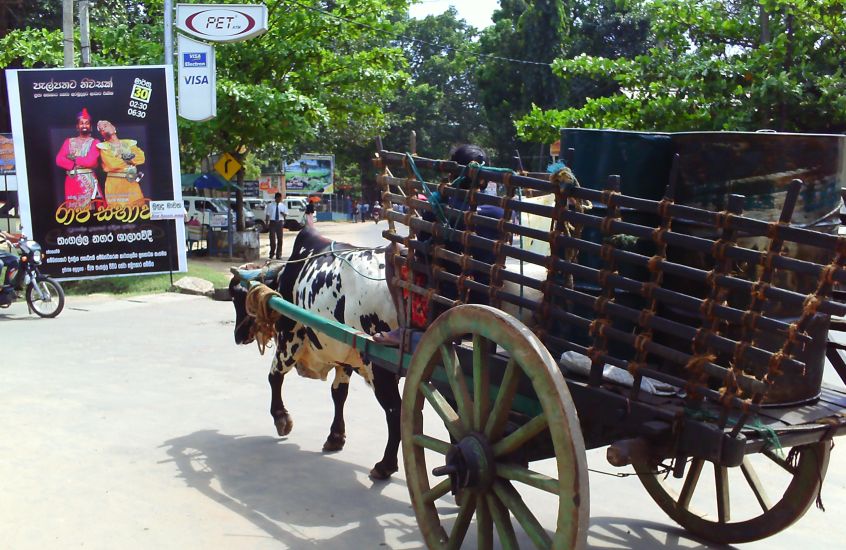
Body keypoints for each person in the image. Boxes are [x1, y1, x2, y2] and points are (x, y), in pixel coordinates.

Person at [373, 144, 502, 346]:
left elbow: (424, 246)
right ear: (486, 177)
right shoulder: (499, 212)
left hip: (447, 293)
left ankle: (405, 327)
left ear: (453, 174)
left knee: (393, 251)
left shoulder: (439, 206)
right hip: (485, 294)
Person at [55, 108, 101, 210]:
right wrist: (73, 165)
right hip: (72, 181)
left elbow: (91, 161)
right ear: (77, 127)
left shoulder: (95, 142)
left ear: (90, 127)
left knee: (92, 210)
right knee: (73, 212)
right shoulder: (68, 141)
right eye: (81, 123)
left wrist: (73, 158)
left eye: (87, 123)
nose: (84, 125)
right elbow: (59, 159)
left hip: (88, 181)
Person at [96, 120, 146, 206]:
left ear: (113, 128)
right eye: (101, 129)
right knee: (117, 213)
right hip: (114, 184)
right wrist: (130, 158)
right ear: (101, 133)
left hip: (131, 182)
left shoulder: (129, 143)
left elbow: (141, 158)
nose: (104, 128)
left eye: (105, 125)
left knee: (137, 210)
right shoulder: (104, 147)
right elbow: (112, 164)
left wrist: (121, 158)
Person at [265, 192, 288, 260]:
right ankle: (272, 253)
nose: (280, 200)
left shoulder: (283, 206)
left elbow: (286, 215)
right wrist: (267, 223)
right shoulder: (270, 205)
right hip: (272, 223)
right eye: (279, 198)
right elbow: (267, 215)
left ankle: (279, 254)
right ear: (276, 198)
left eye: (280, 199)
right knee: (272, 239)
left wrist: (283, 213)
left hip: (279, 223)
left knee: (280, 239)